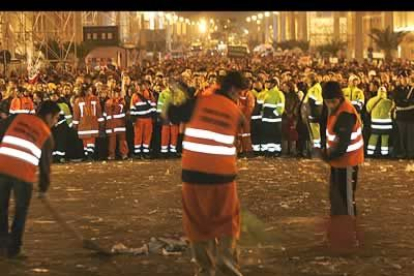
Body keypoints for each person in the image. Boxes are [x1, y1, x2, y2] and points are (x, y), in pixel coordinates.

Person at [166, 71, 246, 276]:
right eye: (239, 92)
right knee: (228, 221)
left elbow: (171, 115)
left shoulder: (200, 101)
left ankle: (204, 269)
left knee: (197, 223)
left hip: (193, 176)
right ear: (232, 89)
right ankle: (227, 263)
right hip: (224, 177)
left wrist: (185, 97)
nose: (239, 96)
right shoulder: (235, 111)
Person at [0, 101, 60, 258]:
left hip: (2, 167)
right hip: (23, 175)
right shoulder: (46, 134)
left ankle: (2, 244)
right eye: (56, 118)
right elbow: (45, 167)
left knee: (1, 209)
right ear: (48, 116)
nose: (56, 122)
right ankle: (14, 249)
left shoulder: (17, 118)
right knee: (20, 211)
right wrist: (43, 189)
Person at [321, 81, 364, 251]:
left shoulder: (345, 113)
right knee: (337, 197)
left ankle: (350, 235)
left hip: (347, 162)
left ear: (339, 98)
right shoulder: (336, 109)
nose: (330, 104)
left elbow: (343, 144)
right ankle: (339, 232)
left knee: (346, 200)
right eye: (327, 101)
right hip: (337, 161)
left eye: (333, 101)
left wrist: (327, 155)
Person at [72, 86, 104, 160]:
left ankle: (87, 154)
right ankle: (89, 154)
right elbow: (99, 112)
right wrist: (101, 122)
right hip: (92, 124)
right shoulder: (95, 99)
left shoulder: (78, 100)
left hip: (83, 125)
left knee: (86, 140)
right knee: (90, 140)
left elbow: (76, 114)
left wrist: (75, 125)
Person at [366, 87, 394, 157]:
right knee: (385, 139)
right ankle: (384, 153)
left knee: (373, 138)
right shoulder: (389, 102)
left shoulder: (372, 100)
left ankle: (370, 152)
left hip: (375, 124)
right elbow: (393, 110)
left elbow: (368, 109)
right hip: (386, 125)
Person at [262, 78, 285, 157]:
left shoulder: (279, 93)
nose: (267, 85)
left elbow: (281, 107)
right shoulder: (266, 93)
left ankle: (277, 151)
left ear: (273, 84)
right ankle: (269, 151)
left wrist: (273, 114)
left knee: (275, 135)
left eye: (269, 83)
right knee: (268, 134)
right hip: (267, 118)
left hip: (274, 119)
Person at [393, 73, 414, 159]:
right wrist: (406, 104)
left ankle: (411, 153)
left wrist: (404, 103)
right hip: (401, 118)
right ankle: (402, 152)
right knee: (401, 136)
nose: (404, 80)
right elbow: (397, 102)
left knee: (410, 137)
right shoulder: (397, 90)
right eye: (402, 78)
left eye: (406, 78)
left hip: (411, 117)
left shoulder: (412, 90)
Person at [104, 88, 128, 160]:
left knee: (122, 140)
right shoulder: (108, 102)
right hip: (111, 125)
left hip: (119, 125)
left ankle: (124, 154)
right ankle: (112, 155)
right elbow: (105, 114)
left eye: (116, 93)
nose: (114, 94)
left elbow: (123, 112)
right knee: (112, 142)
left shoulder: (121, 102)